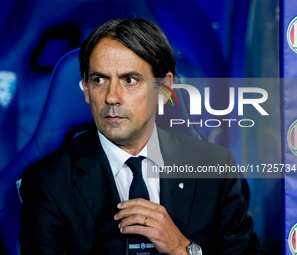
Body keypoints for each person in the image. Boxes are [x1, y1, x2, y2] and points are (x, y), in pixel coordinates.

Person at [20, 18, 263, 255]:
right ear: (86, 89)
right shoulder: (47, 183)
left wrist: (182, 249)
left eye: (130, 80)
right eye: (99, 80)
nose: (111, 96)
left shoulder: (215, 168)